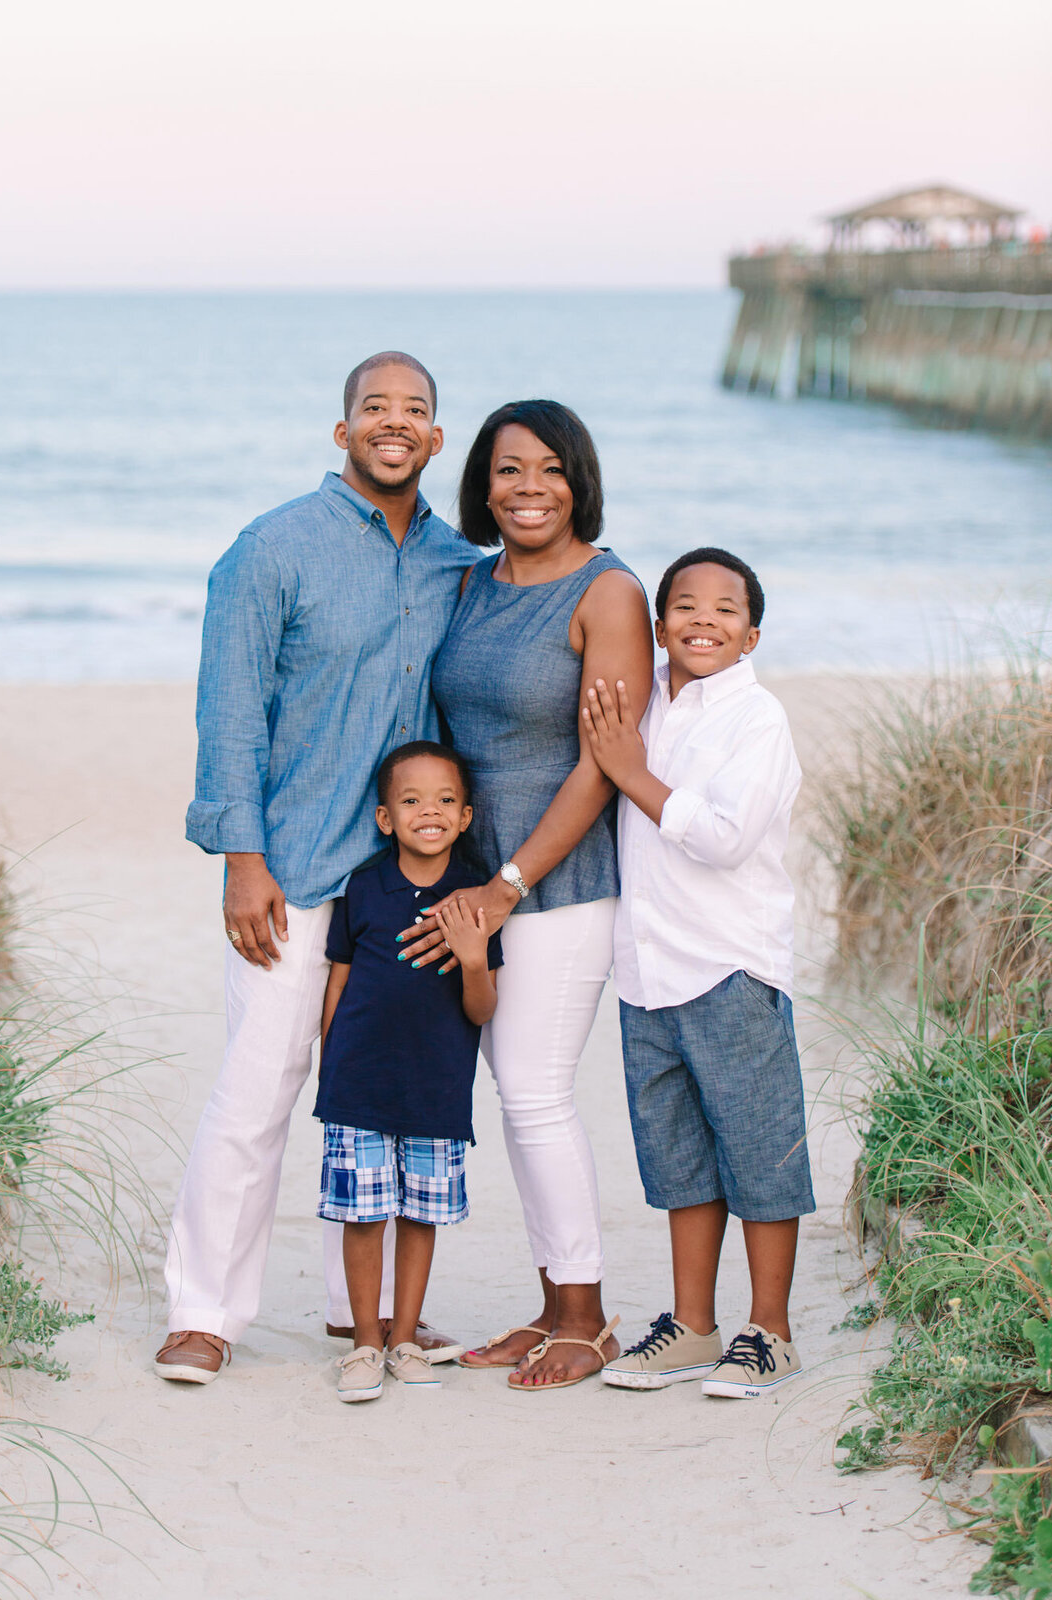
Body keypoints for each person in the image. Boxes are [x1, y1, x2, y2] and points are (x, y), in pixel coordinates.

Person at [154, 354, 472, 1385]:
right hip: (292, 872)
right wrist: (242, 860)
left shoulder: (455, 563)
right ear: (343, 433)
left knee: (378, 1098)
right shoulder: (270, 549)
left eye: (414, 411)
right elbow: (231, 712)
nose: (394, 422)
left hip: (401, 885)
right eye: (374, 407)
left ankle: (361, 1314)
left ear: (435, 439)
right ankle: (204, 1311)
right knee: (257, 1093)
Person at [402, 399, 653, 1390]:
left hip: (559, 882)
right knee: (517, 1095)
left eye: (550, 468)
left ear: (579, 477)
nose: (529, 487)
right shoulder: (472, 584)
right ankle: (556, 1305)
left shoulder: (609, 592)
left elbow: (603, 764)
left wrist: (509, 883)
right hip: (479, 884)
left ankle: (586, 1319)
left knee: (537, 1090)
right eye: (509, 470)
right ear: (483, 484)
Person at [581, 546, 815, 1399]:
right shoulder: (645, 705)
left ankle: (771, 1333)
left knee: (759, 1154)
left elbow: (723, 837)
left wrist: (631, 774)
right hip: (646, 970)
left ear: (751, 636)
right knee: (679, 1160)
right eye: (685, 605)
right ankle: (691, 1326)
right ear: (657, 625)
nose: (703, 621)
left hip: (730, 965)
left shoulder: (757, 720)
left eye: (725, 610)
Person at [315, 742, 501, 1402]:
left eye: (446, 801)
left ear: (467, 815)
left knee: (418, 1216)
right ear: (386, 818)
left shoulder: (476, 895)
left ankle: (402, 1340)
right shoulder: (365, 887)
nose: (431, 811)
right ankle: (365, 1343)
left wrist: (473, 957)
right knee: (363, 1216)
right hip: (357, 1082)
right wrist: (327, 1065)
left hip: (438, 1086)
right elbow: (338, 982)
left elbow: (481, 1010)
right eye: (412, 800)